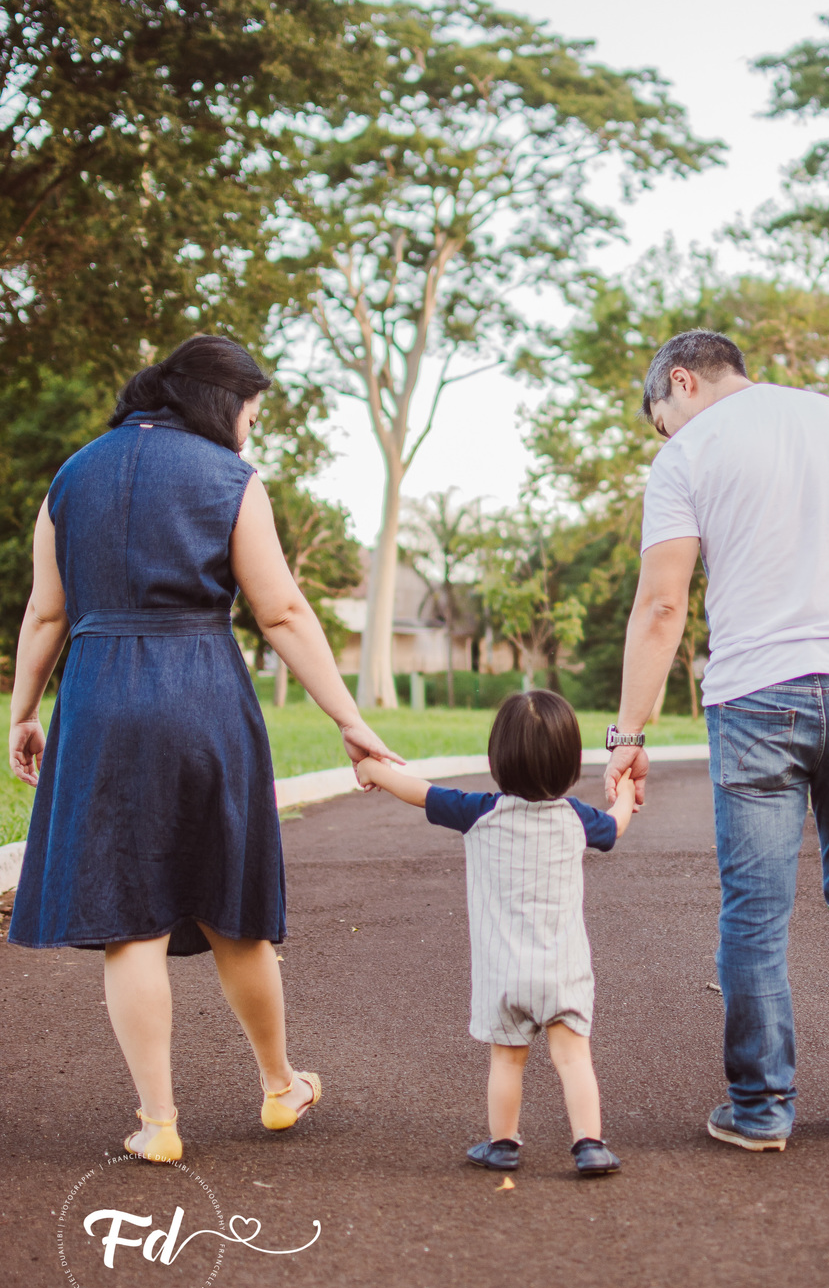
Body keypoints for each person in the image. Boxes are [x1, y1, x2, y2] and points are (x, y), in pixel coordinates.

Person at [7, 335, 398, 1163]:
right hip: (202, 694)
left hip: (100, 693)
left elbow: (45, 615)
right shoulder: (231, 479)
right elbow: (283, 611)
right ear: (224, 404)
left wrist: (24, 712)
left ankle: (158, 1122)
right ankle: (279, 1085)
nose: (251, 433)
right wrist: (348, 718)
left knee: (129, 921)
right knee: (231, 909)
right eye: (252, 414)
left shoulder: (72, 477)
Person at [603, 330, 829, 1151]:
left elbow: (662, 606)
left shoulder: (687, 457)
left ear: (680, 382)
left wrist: (627, 733)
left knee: (755, 912)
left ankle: (759, 1112)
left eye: (660, 419)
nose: (665, 437)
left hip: (755, 699)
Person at [358, 689, 636, 1176]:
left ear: (496, 758)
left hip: (502, 974)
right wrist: (628, 786)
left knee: (507, 1062)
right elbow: (617, 824)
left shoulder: (478, 811)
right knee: (573, 1059)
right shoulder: (577, 818)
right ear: (571, 763)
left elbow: (418, 790)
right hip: (564, 969)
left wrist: (372, 769)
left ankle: (503, 1143)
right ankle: (589, 1143)